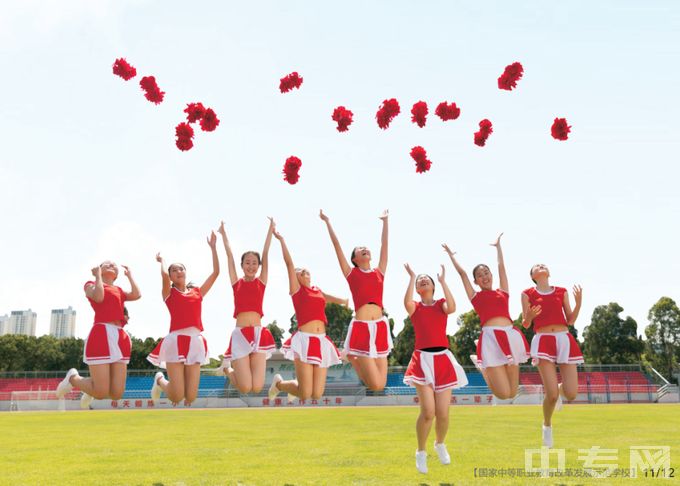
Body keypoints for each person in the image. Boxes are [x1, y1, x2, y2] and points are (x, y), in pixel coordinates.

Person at [444, 234, 529, 400]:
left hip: (510, 335)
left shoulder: (503, 291)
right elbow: (462, 274)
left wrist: (498, 248)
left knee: (512, 393)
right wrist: (451, 256)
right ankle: (482, 366)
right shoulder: (476, 297)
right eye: (480, 275)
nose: (484, 276)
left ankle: (485, 365)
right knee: (503, 394)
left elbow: (501, 267)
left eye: (486, 272)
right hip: (491, 338)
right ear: (476, 281)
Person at [268, 228, 348, 401]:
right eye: (299, 272)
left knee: (317, 394)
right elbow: (289, 264)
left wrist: (344, 301)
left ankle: (295, 385)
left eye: (305, 270)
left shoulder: (317, 290)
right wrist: (281, 240)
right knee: (305, 394)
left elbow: (327, 297)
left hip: (321, 340)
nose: (303, 272)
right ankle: (279, 384)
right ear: (295, 278)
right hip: (304, 340)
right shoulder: (297, 291)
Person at [403, 263, 467, 474]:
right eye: (420, 280)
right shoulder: (415, 306)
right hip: (422, 359)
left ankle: (440, 444)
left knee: (443, 413)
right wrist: (412, 277)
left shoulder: (441, 304)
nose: (423, 281)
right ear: (418, 288)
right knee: (428, 412)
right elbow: (406, 302)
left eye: (426, 279)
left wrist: (442, 281)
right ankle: (421, 452)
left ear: (432, 285)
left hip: (443, 359)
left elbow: (453, 307)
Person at [319, 209, 392, 391]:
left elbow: (385, 246)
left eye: (366, 248)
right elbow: (337, 247)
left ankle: (351, 356)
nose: (365, 249)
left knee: (381, 385)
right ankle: (353, 356)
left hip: (381, 327)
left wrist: (385, 222)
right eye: (360, 249)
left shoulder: (379, 271)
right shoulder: (351, 273)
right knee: (374, 385)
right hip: (362, 327)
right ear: (355, 258)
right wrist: (328, 222)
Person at [56, 261, 141, 408]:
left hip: (120, 336)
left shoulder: (119, 290)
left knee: (117, 393)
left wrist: (130, 276)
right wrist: (97, 276)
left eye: (114, 265)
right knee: (101, 393)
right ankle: (73, 378)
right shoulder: (90, 284)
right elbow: (99, 297)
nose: (111, 265)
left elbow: (137, 294)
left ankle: (90, 390)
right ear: (99, 269)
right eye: (106, 264)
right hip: (102, 333)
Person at [148, 231, 220, 404]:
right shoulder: (169, 293)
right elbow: (164, 276)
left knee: (191, 397)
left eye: (181, 268)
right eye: (174, 270)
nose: (178, 271)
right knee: (177, 396)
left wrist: (213, 248)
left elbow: (216, 272)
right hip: (175, 341)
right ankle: (160, 381)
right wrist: (162, 261)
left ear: (186, 272)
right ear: (171, 276)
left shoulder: (197, 292)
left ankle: (166, 384)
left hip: (195, 341)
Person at [522, 263, 583, 447]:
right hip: (543, 340)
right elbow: (525, 324)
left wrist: (579, 303)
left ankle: (556, 389)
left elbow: (570, 320)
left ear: (548, 272)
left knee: (571, 394)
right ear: (533, 275)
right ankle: (547, 425)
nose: (541, 267)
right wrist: (530, 316)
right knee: (552, 396)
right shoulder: (527, 294)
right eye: (536, 267)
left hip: (564, 338)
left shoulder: (561, 292)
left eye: (543, 265)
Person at [218, 218, 276, 394]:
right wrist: (223, 233)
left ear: (259, 266)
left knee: (257, 388)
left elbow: (265, 253)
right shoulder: (236, 282)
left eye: (254, 263)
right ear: (242, 265)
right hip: (240, 334)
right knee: (245, 388)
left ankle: (234, 367)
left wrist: (270, 230)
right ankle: (227, 368)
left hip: (259, 334)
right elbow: (229, 255)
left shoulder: (262, 282)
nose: (251, 266)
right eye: (247, 263)